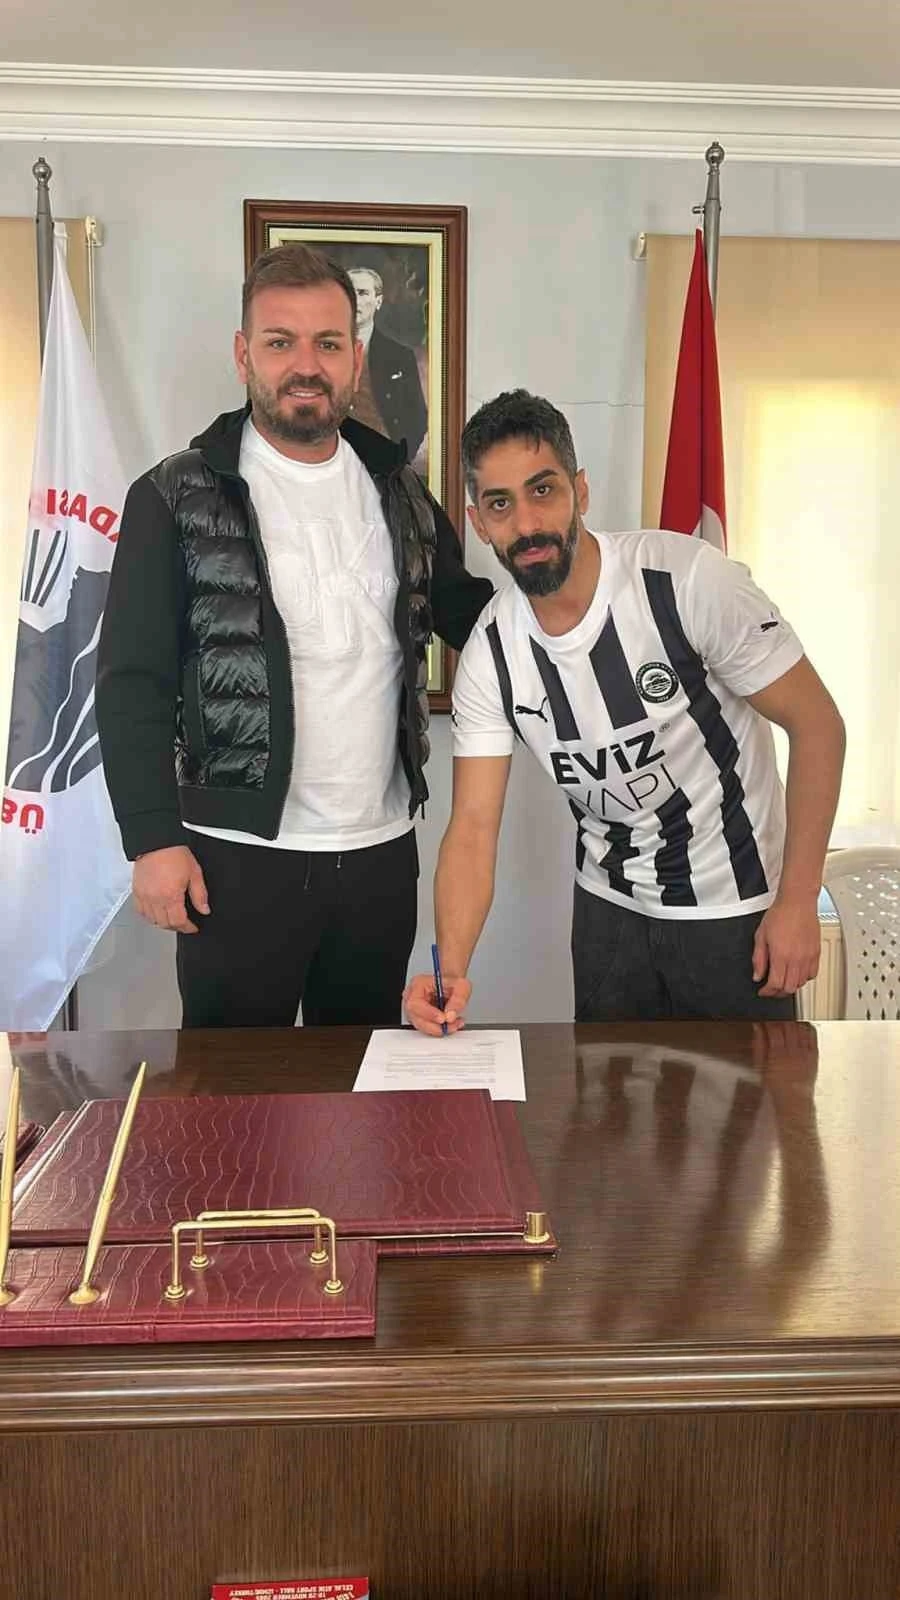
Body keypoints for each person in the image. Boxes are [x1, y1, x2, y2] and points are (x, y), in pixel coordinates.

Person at [96, 243, 492, 1028]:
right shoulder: (175, 493)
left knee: (361, 1081)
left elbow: (473, 619)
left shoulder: (401, 490)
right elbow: (132, 678)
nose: (305, 366)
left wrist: (588, 610)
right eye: (281, 342)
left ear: (355, 358)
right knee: (234, 1090)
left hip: (380, 856)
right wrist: (151, 839)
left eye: (328, 344)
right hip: (235, 859)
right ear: (245, 355)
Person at [404, 390, 845, 1034]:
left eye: (543, 490)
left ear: (580, 490)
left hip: (736, 912)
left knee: (751, 1102)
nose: (527, 524)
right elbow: (472, 828)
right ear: (477, 522)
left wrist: (799, 900)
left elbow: (818, 725)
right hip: (608, 918)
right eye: (500, 504)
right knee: (604, 1102)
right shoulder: (490, 654)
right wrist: (448, 973)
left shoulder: (684, 581)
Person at [347, 266, 428, 460]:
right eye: (348, 292)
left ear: (378, 301)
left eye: (362, 293)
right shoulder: (319, 352)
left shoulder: (400, 355)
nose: (355, 300)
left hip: (384, 461)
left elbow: (417, 419)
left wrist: (399, 461)